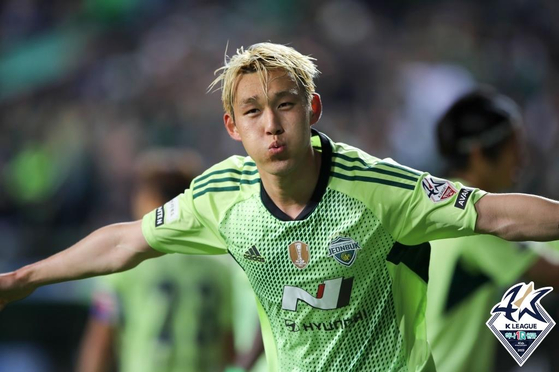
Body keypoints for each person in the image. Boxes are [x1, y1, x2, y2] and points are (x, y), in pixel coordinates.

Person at [1, 42, 559, 372]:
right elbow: (125, 240)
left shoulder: (377, 189)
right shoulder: (220, 198)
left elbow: (496, 215)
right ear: (232, 126)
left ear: (312, 108)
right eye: (253, 111)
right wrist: (29, 276)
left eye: (285, 104)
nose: (271, 123)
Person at [426, 89, 559, 372]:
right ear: (478, 154)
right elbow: (553, 274)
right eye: (515, 148)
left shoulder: (438, 202)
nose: (522, 160)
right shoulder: (472, 219)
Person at [76, 149, 236, 372]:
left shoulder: (126, 261)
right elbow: (228, 347)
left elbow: (100, 343)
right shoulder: (221, 263)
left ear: (150, 198)